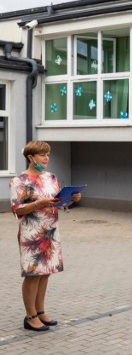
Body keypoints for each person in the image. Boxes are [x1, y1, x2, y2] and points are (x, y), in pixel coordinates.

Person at [10, 141, 82, 331]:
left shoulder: (51, 177)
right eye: (42, 155)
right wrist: (38, 204)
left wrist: (71, 200)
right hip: (32, 235)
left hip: (51, 230)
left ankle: (40, 311)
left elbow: (58, 203)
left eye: (48, 155)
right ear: (31, 158)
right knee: (33, 274)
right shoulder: (19, 181)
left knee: (45, 273)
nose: (46, 158)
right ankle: (30, 316)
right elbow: (17, 210)